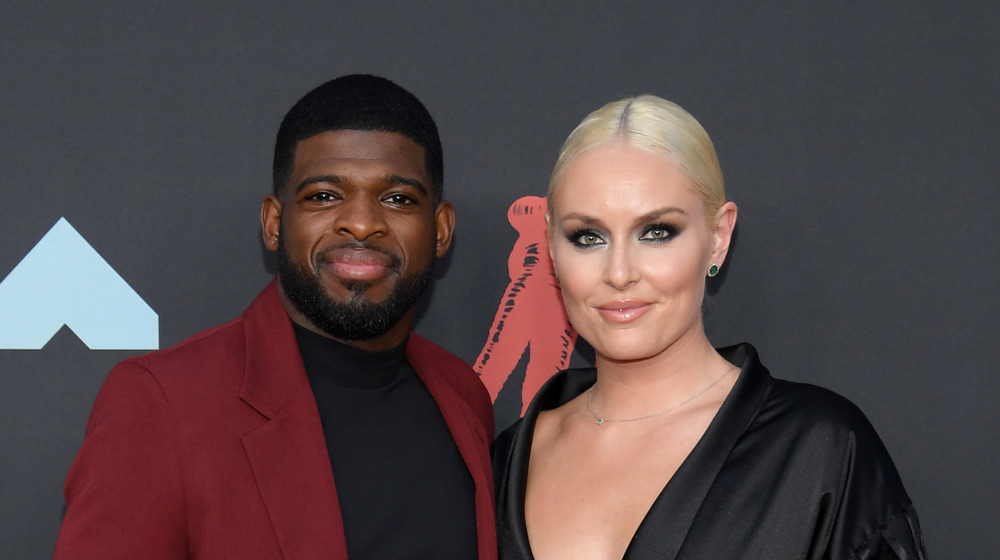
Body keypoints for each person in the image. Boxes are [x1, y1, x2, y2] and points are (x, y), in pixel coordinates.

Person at [55, 74, 497, 560]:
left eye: (398, 199)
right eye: (324, 195)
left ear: (440, 229)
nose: (363, 222)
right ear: (273, 223)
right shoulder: (162, 404)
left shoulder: (463, 395)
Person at [493, 95, 926, 559]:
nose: (619, 273)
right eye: (588, 237)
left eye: (656, 232)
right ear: (552, 249)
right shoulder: (504, 461)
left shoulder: (821, 452)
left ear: (718, 238)